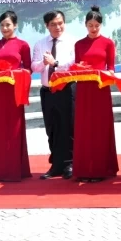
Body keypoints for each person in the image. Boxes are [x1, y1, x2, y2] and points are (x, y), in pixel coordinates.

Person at [73, 6, 118, 182]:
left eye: (97, 25)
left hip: (101, 90)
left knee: (100, 128)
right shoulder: (79, 44)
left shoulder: (108, 43)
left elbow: (112, 68)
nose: (93, 28)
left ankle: (100, 169)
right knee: (84, 128)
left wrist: (109, 74)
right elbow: (77, 67)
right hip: (84, 90)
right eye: (90, 25)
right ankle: (84, 169)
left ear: (101, 25)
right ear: (85, 25)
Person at [0, 11, 32, 181]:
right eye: (2, 25)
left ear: (15, 25)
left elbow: (28, 69)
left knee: (14, 128)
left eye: (8, 25)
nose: (5, 28)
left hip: (14, 91)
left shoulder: (23, 45)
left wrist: (15, 73)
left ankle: (15, 169)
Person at [32, 10, 77, 180]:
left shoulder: (73, 42)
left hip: (66, 89)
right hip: (48, 90)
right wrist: (43, 62)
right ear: (46, 26)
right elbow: (34, 67)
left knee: (68, 126)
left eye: (60, 23)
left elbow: (73, 64)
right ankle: (56, 164)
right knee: (52, 128)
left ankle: (70, 163)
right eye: (53, 24)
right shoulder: (40, 44)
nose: (57, 27)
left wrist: (55, 63)